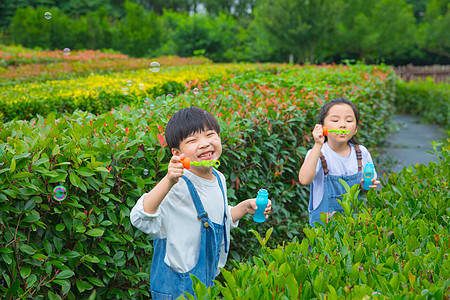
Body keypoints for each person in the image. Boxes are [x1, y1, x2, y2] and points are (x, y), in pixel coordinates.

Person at [130, 106, 271, 299]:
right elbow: (139, 217)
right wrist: (168, 180)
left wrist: (244, 208)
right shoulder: (176, 185)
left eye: (210, 135)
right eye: (192, 140)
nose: (204, 144)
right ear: (176, 153)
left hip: (206, 282)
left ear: (219, 138)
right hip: (176, 287)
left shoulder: (218, 178)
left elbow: (217, 219)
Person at [298, 97, 380, 227]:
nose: (342, 125)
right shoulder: (318, 153)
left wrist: (366, 186)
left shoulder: (362, 153)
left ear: (356, 129)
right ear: (323, 127)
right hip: (324, 229)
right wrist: (317, 144)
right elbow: (304, 180)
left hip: (355, 226)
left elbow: (368, 186)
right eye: (335, 120)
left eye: (349, 120)